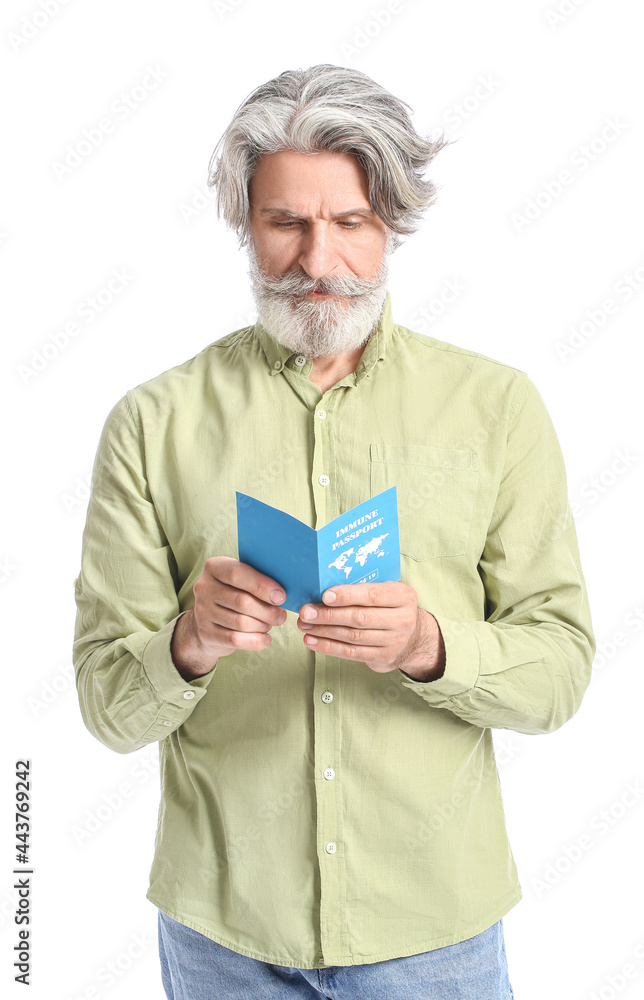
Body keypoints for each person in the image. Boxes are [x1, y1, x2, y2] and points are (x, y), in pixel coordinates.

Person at [72, 64, 595, 1000]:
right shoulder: (151, 423)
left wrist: (431, 646)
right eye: (287, 223)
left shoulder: (496, 408)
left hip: (434, 934)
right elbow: (106, 706)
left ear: (390, 221)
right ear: (244, 226)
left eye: (350, 222)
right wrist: (186, 645)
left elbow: (559, 673)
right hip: (223, 936)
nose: (320, 259)